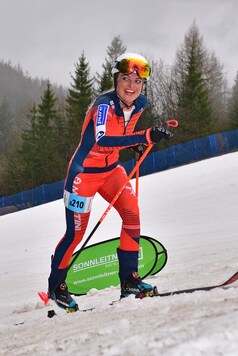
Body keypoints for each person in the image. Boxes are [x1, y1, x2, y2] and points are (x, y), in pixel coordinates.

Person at [46, 52, 173, 311]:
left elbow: (122, 135)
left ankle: (130, 281)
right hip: (83, 174)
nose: (131, 86)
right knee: (75, 234)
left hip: (111, 170)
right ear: (116, 80)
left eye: (137, 82)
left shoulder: (140, 104)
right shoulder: (104, 105)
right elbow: (103, 139)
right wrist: (144, 135)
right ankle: (56, 285)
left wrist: (137, 142)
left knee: (132, 214)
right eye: (126, 79)